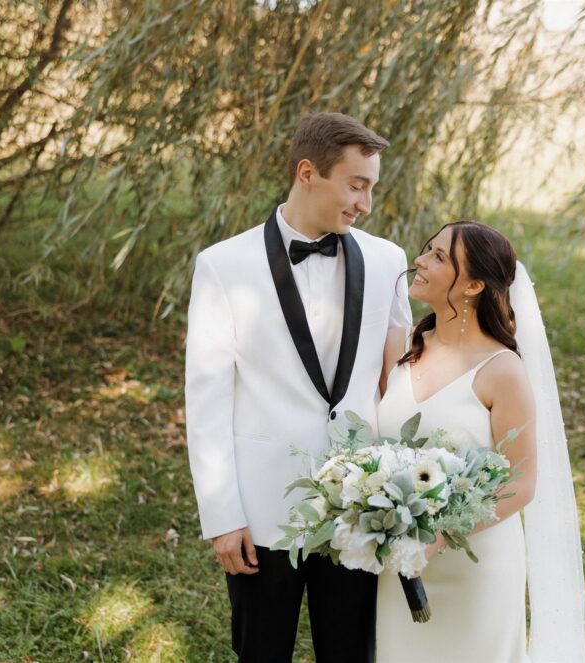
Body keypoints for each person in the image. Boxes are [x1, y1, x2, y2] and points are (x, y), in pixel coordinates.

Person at [184, 112, 412, 662]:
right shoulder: (222, 266)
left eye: (372, 188)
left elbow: (400, 382)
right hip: (263, 513)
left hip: (360, 510)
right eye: (356, 185)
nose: (366, 204)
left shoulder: (388, 262)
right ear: (308, 172)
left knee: (351, 653)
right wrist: (222, 516)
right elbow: (207, 401)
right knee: (261, 652)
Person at [375, 221, 585, 662]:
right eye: (427, 249)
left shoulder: (502, 369)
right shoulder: (401, 345)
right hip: (397, 564)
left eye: (438, 257)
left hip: (476, 566)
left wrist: (438, 536)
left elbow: (522, 482)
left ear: (473, 285)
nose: (419, 260)